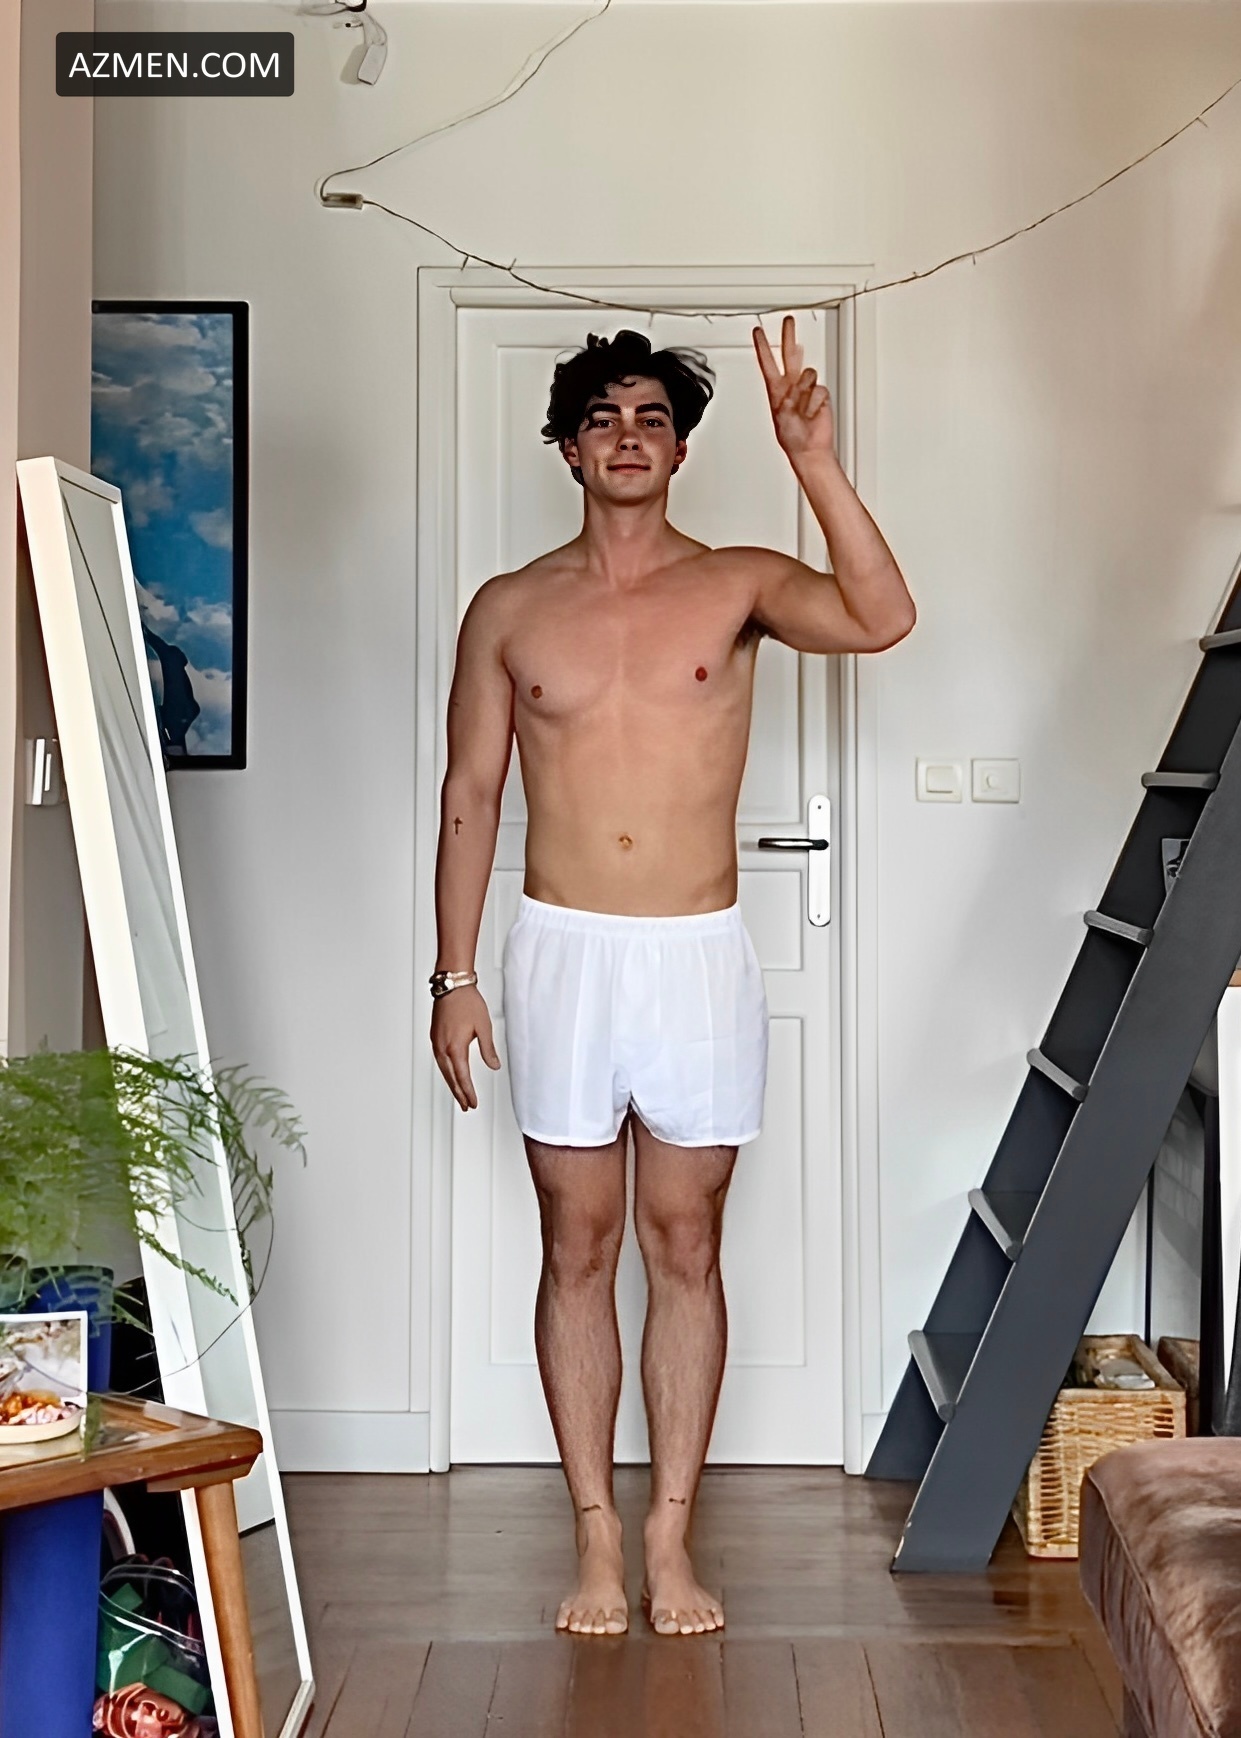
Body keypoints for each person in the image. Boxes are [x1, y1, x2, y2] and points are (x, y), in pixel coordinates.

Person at [430, 316, 915, 1638]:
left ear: (682, 448)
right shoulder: (509, 607)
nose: (628, 436)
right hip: (562, 950)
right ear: (569, 449)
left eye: (651, 417)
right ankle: (596, 1535)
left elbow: (882, 616)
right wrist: (453, 975)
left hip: (696, 954)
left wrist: (812, 460)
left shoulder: (738, 582)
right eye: (602, 418)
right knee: (575, 1242)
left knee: (685, 1243)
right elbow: (470, 792)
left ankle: (670, 1535)